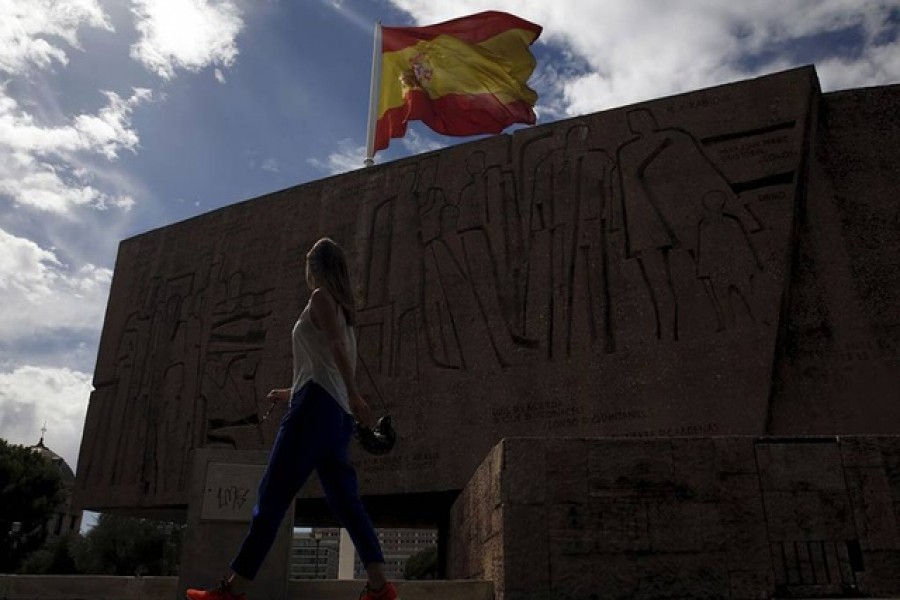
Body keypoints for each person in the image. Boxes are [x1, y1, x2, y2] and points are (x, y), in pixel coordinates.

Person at [186, 238, 398, 600]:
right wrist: (290, 391)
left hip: (315, 410)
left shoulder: (319, 297)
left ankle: (233, 591)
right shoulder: (345, 311)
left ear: (314, 267)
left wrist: (355, 393)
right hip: (335, 417)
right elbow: (324, 363)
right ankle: (379, 587)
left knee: (271, 497)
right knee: (347, 503)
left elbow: (333, 351)